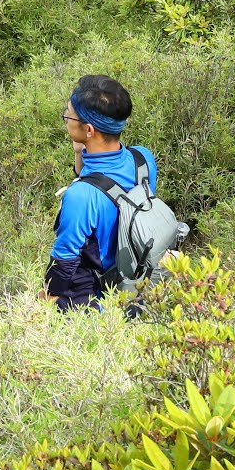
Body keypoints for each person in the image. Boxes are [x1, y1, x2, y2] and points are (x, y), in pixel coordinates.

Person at [45, 73, 159, 310]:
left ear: (88, 130)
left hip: (101, 294)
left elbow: (65, 258)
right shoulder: (142, 159)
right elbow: (105, 183)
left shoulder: (80, 196)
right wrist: (80, 151)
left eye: (68, 115)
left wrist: (48, 299)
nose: (65, 120)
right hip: (138, 277)